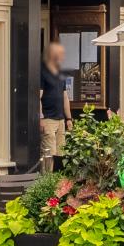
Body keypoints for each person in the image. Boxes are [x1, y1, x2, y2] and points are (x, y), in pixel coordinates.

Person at [38, 40, 68, 171]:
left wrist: (69, 119)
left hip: (61, 119)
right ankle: (47, 183)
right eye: (60, 53)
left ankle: (58, 185)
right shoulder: (42, 72)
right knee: (49, 154)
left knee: (61, 154)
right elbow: (37, 97)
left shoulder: (60, 73)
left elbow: (65, 96)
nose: (62, 56)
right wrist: (41, 118)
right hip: (48, 119)